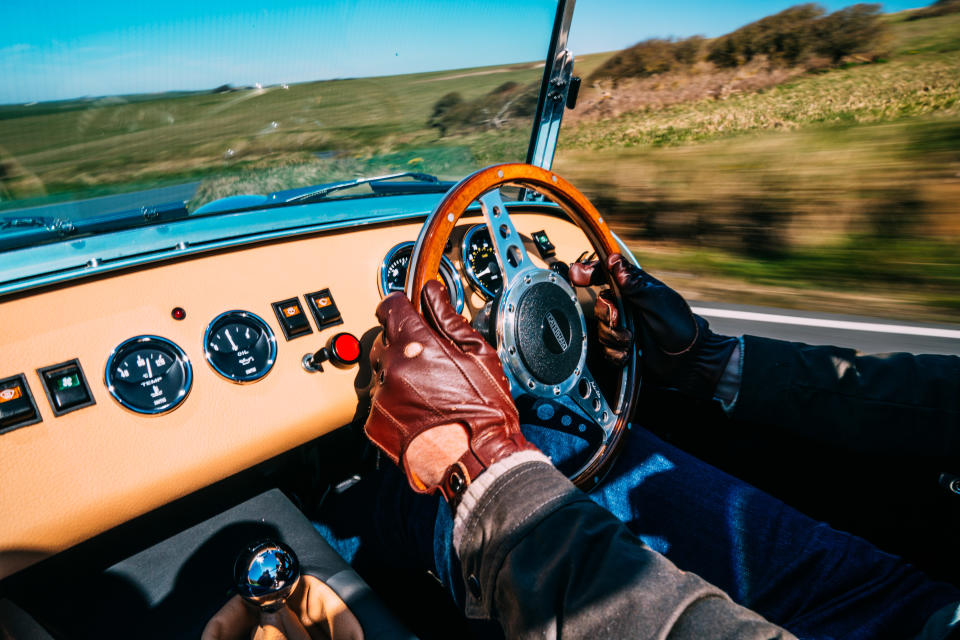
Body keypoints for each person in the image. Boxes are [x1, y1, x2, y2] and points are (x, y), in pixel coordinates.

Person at [209, 255, 960, 639]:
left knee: (467, 483)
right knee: (557, 433)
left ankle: (332, 528)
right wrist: (711, 363)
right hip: (924, 610)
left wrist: (478, 462)